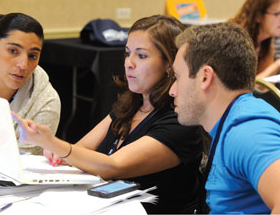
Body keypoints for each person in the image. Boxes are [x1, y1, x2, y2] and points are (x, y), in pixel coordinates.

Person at [12, 15, 205, 213]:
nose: (129, 63)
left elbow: (113, 166)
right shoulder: (131, 104)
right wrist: (59, 154)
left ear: (169, 64)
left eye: (141, 56)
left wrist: (53, 143)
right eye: (127, 53)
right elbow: (81, 149)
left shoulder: (180, 120)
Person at [168, 22, 280, 214]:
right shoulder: (232, 121)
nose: (172, 90)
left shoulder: (247, 132)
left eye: (178, 77)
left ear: (205, 77)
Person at [0, 13, 60, 155]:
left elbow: (23, 166)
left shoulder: (45, 104)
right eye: (13, 51)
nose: (23, 65)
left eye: (32, 56)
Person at [230, 0, 280, 79]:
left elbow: (264, 87)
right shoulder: (234, 39)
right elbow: (241, 87)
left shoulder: (267, 43)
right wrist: (277, 64)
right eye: (277, 14)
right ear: (258, 16)